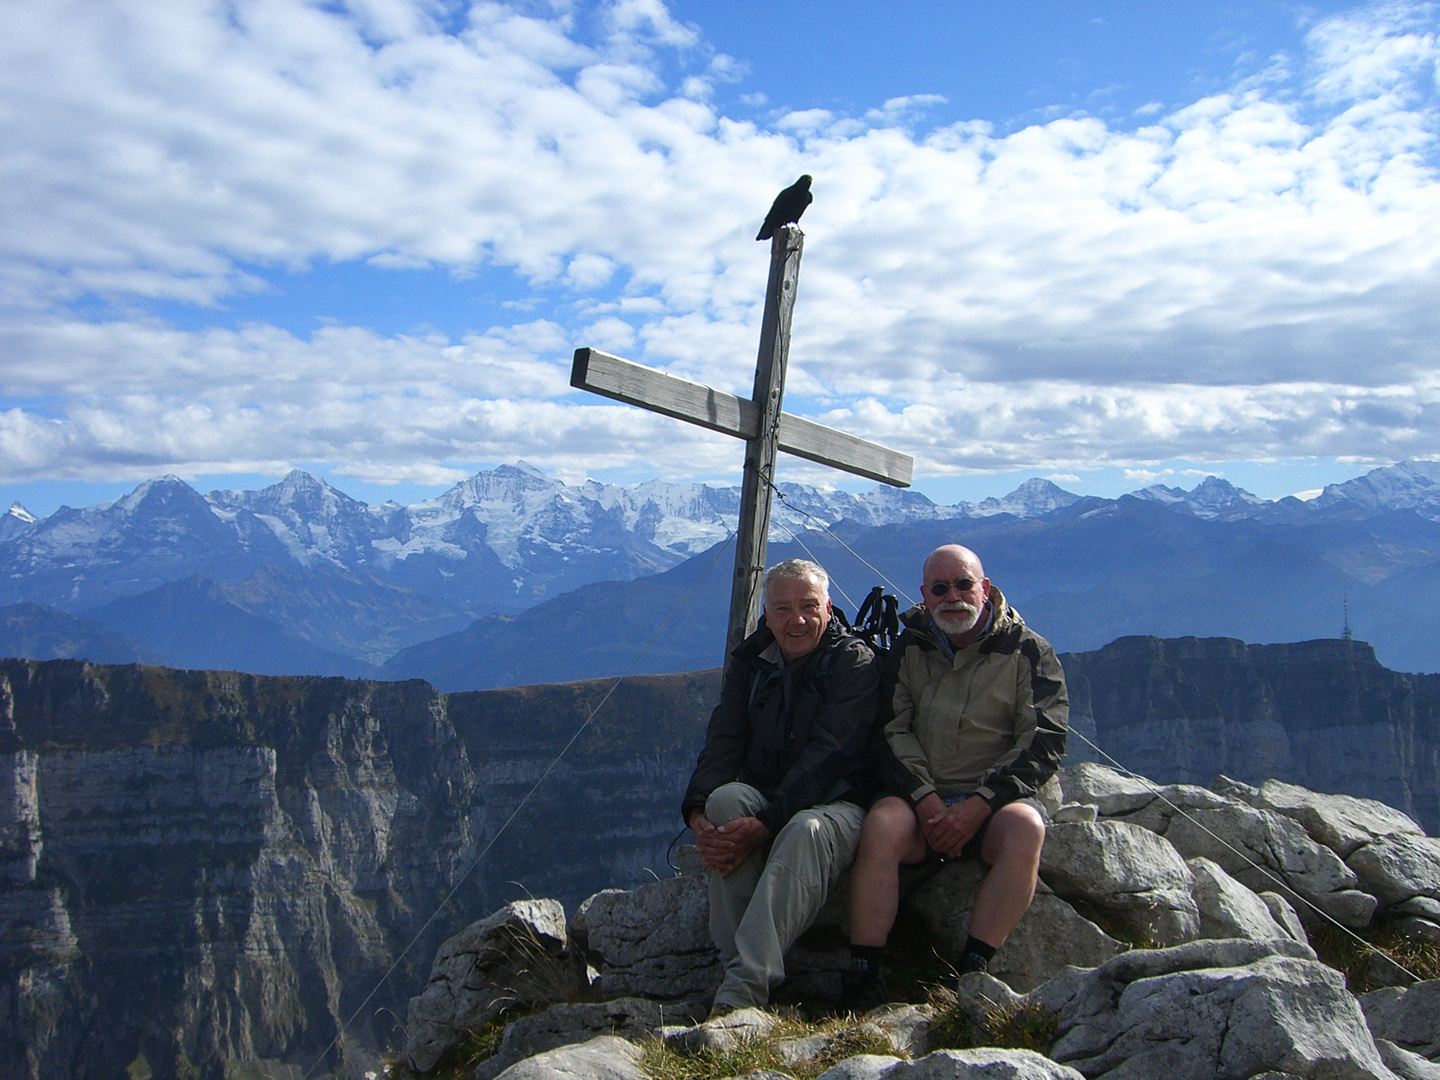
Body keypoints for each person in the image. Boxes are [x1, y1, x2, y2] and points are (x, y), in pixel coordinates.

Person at [843, 544, 1068, 1008]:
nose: (953, 596)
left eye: (964, 584)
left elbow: (1043, 741)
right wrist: (923, 796)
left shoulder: (1028, 651)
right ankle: (863, 976)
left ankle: (971, 972)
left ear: (985, 589)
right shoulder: (910, 647)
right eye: (940, 588)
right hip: (918, 799)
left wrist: (981, 802)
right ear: (925, 596)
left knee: (1027, 829)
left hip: (993, 805)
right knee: (882, 825)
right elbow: (888, 730)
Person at [682, 558, 881, 1016]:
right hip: (767, 797)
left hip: (839, 802)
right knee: (724, 801)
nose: (798, 620)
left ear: (828, 609)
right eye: (783, 608)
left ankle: (740, 994)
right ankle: (741, 967)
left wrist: (768, 822)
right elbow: (724, 740)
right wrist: (697, 816)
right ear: (766, 615)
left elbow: (831, 754)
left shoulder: (853, 662)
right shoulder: (751, 664)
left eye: (809, 606)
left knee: (803, 830)